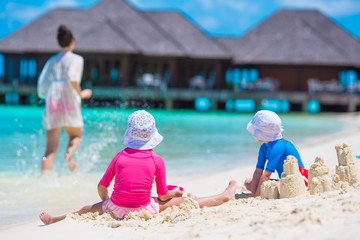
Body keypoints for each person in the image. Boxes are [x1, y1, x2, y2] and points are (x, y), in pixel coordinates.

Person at [39, 110, 237, 225]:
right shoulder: (156, 160)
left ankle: (56, 219)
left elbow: (101, 186)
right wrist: (175, 191)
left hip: (116, 207)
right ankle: (223, 196)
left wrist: (107, 202)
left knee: (84, 209)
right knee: (186, 200)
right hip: (144, 208)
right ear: (152, 136)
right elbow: (162, 196)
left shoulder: (119, 157)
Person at [37, 25, 92, 173]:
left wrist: (45, 96)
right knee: (76, 136)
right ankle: (69, 154)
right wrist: (81, 94)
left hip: (53, 101)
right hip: (69, 101)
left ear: (58, 43)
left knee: (50, 149)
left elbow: (42, 86)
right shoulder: (76, 59)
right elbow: (72, 78)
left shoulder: (52, 61)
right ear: (72, 42)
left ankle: (43, 181)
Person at [244, 110, 308, 197]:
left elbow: (266, 175)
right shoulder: (264, 147)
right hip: (283, 180)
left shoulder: (278, 146)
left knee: (276, 185)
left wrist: (256, 196)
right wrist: (253, 194)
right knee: (248, 183)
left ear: (262, 132)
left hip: (299, 179)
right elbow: (258, 171)